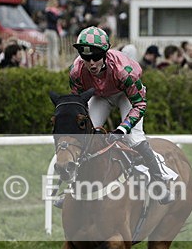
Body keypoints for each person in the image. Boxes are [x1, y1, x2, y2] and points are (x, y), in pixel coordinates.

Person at [67, 26, 174, 204]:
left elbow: (140, 104)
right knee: (82, 137)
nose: (91, 63)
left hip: (125, 95)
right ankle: (71, 187)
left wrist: (121, 129)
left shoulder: (124, 71)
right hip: (100, 96)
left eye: (96, 57)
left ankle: (158, 182)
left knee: (134, 138)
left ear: (105, 54)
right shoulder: (76, 71)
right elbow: (78, 103)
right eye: (86, 58)